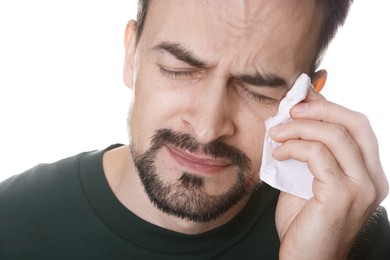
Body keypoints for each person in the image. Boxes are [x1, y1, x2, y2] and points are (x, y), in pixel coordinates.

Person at [1, 0, 389, 259]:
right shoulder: (11, 222)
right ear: (130, 55)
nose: (206, 129)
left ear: (307, 99)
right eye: (179, 70)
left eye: (257, 91)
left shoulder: (348, 231)